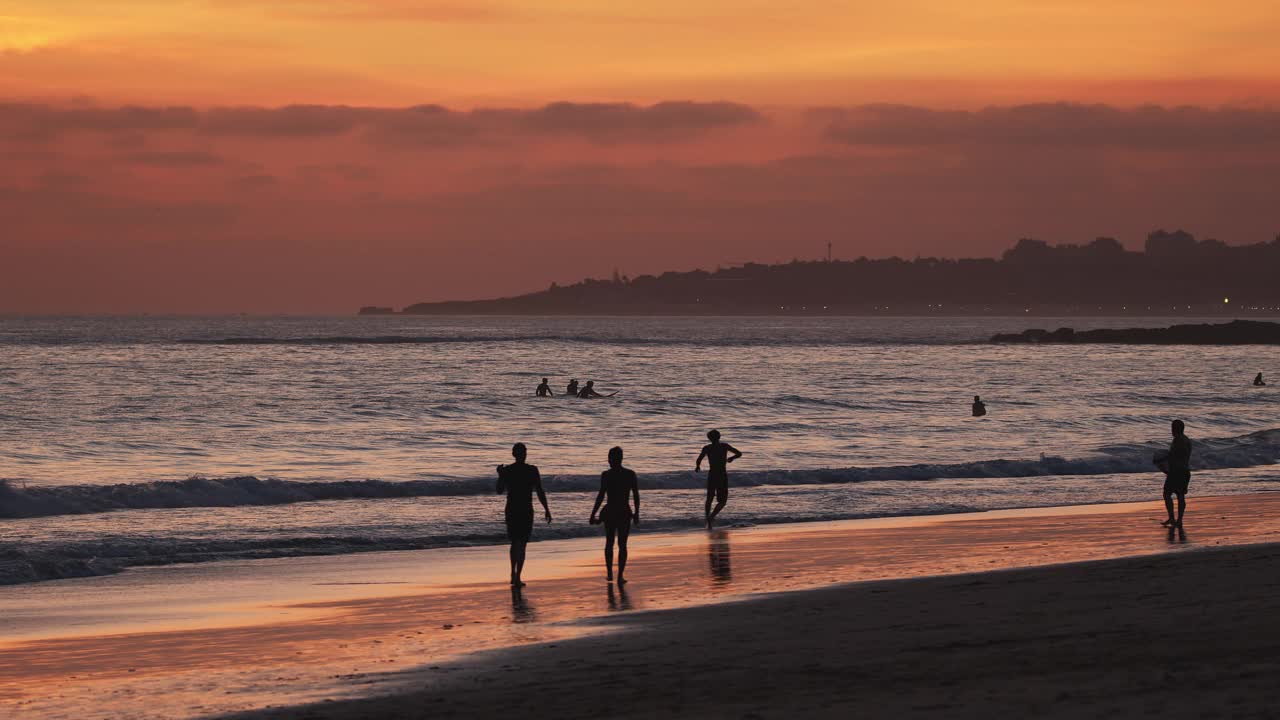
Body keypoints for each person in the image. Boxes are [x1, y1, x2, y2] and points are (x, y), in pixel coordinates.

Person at [496, 443, 552, 586]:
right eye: (523, 452)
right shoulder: (531, 470)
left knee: (515, 542)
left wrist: (500, 475)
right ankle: (517, 576)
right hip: (525, 509)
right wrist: (546, 509)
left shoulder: (508, 470)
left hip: (513, 508)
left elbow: (499, 490)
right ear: (521, 454)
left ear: (514, 454)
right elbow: (539, 490)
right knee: (522, 544)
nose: (524, 454)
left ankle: (514, 574)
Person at [589, 446, 640, 584]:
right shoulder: (630, 474)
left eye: (610, 458)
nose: (609, 460)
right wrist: (636, 513)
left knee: (609, 543)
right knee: (622, 544)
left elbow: (601, 495)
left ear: (611, 459)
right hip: (624, 511)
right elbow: (635, 495)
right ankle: (619, 576)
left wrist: (593, 513)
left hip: (611, 511)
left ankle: (610, 573)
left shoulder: (607, 475)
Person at [697, 429, 742, 529]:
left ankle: (708, 520)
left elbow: (699, 459)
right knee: (722, 501)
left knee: (709, 498)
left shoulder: (707, 448)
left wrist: (697, 466)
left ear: (709, 438)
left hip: (712, 474)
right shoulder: (724, 446)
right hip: (722, 474)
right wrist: (731, 458)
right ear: (719, 437)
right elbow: (739, 453)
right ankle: (711, 517)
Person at [1154, 419, 1192, 529]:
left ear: (1175, 429)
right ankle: (1178, 520)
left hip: (1177, 472)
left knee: (1167, 494)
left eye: (1172, 427)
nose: (1171, 430)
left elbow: (1174, 455)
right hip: (1184, 471)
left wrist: (1160, 460)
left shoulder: (1178, 440)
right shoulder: (1186, 439)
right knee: (1180, 495)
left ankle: (1173, 518)